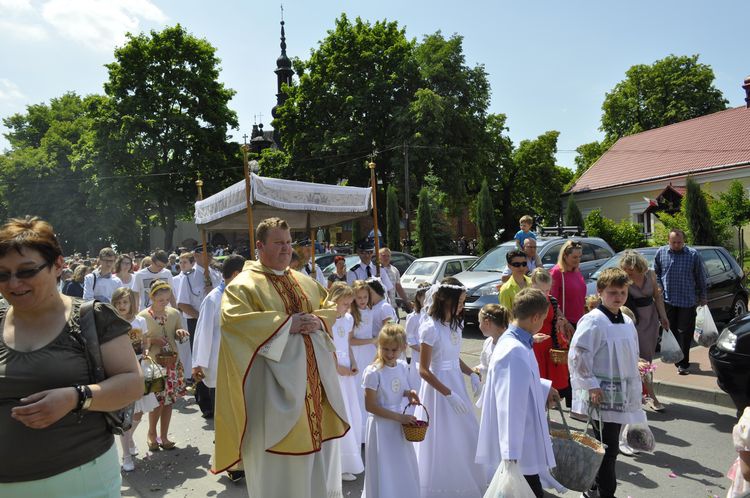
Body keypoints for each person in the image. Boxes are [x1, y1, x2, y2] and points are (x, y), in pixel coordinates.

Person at [0, 216, 142, 497]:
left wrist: (76, 397)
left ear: (58, 266)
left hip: (82, 479)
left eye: (27, 271)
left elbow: (132, 383)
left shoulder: (93, 317)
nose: (13, 283)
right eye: (2, 274)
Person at [214, 217, 349, 498]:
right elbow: (234, 322)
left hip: (316, 392)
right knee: (282, 470)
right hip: (273, 398)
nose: (287, 249)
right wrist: (288, 324)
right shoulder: (243, 286)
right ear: (260, 246)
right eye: (279, 243)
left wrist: (317, 319)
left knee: (318, 469)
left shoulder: (304, 280)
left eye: (289, 242)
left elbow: (329, 308)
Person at [568, 268, 648, 498]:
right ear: (600, 292)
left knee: (605, 445)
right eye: (613, 292)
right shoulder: (593, 320)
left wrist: (636, 363)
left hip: (621, 393)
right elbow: (579, 355)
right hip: (600, 395)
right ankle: (606, 493)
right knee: (608, 448)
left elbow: (629, 350)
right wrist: (591, 385)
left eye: (623, 292)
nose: (618, 297)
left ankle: (592, 485)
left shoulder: (625, 320)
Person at [476, 288, 561, 497]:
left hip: (522, 441)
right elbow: (509, 405)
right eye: (543, 319)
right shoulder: (514, 349)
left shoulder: (517, 341)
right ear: (535, 318)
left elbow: (520, 381)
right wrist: (511, 453)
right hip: (519, 446)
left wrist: (544, 387)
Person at [417, 277, 486, 498]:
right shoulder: (430, 328)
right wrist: (447, 394)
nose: (463, 306)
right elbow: (423, 370)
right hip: (439, 391)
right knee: (442, 435)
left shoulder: (456, 325)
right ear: (446, 299)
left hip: (456, 385)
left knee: (465, 430)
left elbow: (453, 358)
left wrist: (472, 374)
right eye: (460, 301)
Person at [361, 324, 421, 498]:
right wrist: (399, 418)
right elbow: (370, 406)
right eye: (384, 348)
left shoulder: (402, 366)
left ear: (404, 348)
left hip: (398, 423)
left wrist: (409, 393)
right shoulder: (373, 372)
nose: (388, 354)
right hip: (381, 426)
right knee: (384, 466)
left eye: (393, 350)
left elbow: (396, 389)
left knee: (400, 464)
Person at [192, 254, 246, 420]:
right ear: (236, 274)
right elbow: (203, 333)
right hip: (218, 361)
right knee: (222, 408)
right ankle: (222, 440)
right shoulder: (213, 299)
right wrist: (199, 364)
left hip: (239, 360)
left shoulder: (242, 296)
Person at [112, 286, 159, 472]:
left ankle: (129, 439)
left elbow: (145, 340)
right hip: (121, 370)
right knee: (126, 415)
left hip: (140, 366)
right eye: (118, 302)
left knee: (139, 412)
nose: (122, 306)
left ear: (131, 302)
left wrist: (146, 351)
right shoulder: (111, 322)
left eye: (125, 302)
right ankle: (126, 455)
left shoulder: (140, 320)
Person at [140, 280, 189, 452]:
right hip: (154, 365)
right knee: (156, 402)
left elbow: (178, 332)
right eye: (161, 300)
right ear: (152, 297)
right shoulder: (143, 317)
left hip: (172, 363)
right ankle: (152, 434)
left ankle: (164, 436)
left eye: (167, 299)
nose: (165, 303)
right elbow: (137, 341)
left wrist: (180, 333)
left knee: (169, 401)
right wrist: (152, 340)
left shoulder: (174, 313)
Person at [619, 249, 670, 410]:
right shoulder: (623, 279)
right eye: (625, 269)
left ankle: (645, 394)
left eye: (630, 269)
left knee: (647, 357)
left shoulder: (651, 275)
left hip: (651, 320)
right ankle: (650, 396)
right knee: (637, 359)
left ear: (639, 266)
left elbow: (657, 297)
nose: (628, 272)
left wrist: (663, 317)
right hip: (633, 322)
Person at [654, 228, 708, 375]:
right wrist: (658, 286)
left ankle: (683, 363)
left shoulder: (692, 254)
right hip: (668, 299)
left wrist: (703, 297)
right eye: (674, 242)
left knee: (684, 332)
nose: (677, 245)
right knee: (670, 330)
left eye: (679, 242)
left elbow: (700, 277)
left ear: (684, 241)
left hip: (687, 300)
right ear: (668, 241)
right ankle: (675, 356)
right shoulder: (661, 252)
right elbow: (656, 273)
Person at [328, 282, 364, 481]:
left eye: (349, 304)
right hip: (333, 370)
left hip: (346, 369)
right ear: (334, 301)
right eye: (344, 304)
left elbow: (346, 344)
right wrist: (337, 367)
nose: (347, 308)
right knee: (339, 413)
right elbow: (328, 347)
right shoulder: (327, 319)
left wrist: (353, 362)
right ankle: (336, 465)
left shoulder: (348, 319)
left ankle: (348, 461)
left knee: (351, 412)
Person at [530, 268, 570, 395]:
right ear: (532, 285)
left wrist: (561, 321)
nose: (544, 294)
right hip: (534, 345)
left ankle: (545, 411)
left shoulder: (551, 300)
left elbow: (559, 318)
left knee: (553, 385)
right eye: (540, 290)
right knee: (536, 383)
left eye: (547, 290)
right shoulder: (527, 301)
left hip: (550, 345)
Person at [349, 279, 376, 441]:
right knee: (359, 391)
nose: (362, 300)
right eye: (359, 297)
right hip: (358, 353)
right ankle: (359, 433)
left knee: (371, 388)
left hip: (369, 353)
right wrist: (372, 340)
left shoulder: (369, 311)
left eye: (365, 297)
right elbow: (350, 340)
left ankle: (369, 430)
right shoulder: (352, 316)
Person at [472, 303, 509, 402]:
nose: (479, 326)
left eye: (479, 322)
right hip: (491, 391)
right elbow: (486, 366)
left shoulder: (508, 344)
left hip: (504, 393)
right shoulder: (488, 342)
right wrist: (477, 370)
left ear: (487, 323)